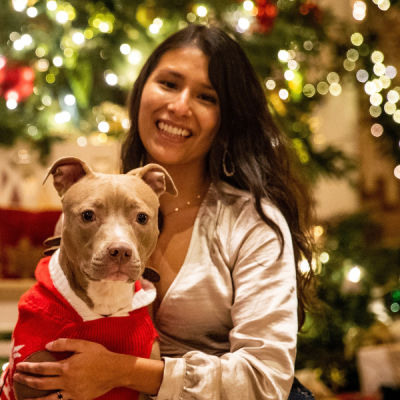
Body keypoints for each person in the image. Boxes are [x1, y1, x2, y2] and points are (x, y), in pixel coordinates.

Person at [12, 24, 317, 400]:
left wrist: (124, 371)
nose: (180, 106)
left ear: (228, 117)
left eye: (207, 97)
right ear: (141, 91)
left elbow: (265, 380)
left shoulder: (253, 223)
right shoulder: (84, 206)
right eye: (169, 84)